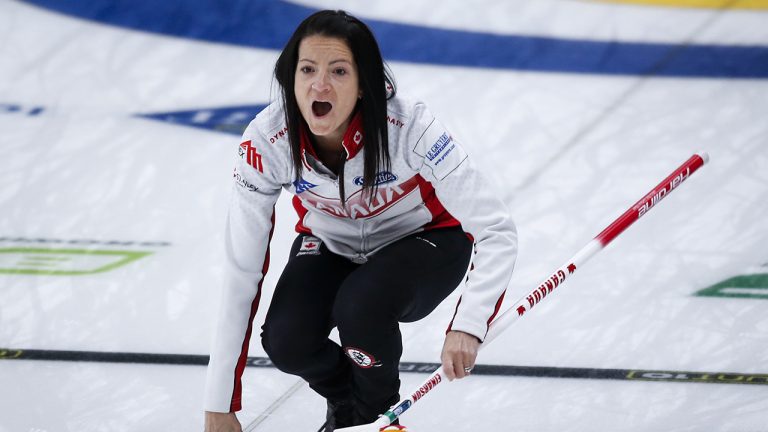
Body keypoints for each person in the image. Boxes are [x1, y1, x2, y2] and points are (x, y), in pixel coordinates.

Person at [204, 9, 517, 432]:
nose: (319, 85)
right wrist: (219, 403)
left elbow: (495, 229)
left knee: (361, 306)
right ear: (290, 79)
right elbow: (242, 269)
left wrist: (469, 324)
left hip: (428, 239)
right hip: (332, 244)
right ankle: (349, 401)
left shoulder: (410, 126)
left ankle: (375, 418)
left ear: (364, 83)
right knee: (287, 340)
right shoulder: (266, 142)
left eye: (339, 71)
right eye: (308, 69)